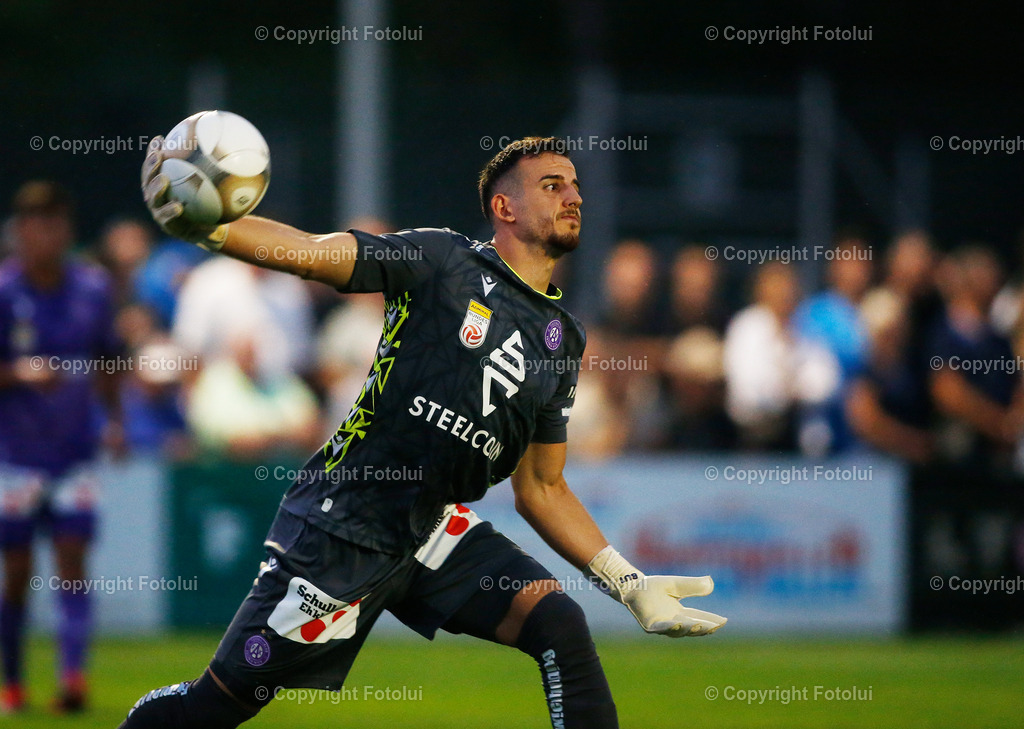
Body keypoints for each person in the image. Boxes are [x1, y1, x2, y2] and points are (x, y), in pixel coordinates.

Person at [120, 136, 726, 728]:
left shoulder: (562, 338)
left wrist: (627, 582)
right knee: (215, 706)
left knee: (557, 621)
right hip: (346, 524)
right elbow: (310, 253)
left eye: (574, 185)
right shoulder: (441, 260)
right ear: (505, 207)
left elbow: (543, 487)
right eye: (552, 185)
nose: (574, 197)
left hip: (433, 527)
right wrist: (213, 229)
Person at [0, 181, 123, 713]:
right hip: (15, 456)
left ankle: (73, 680)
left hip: (76, 454)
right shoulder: (4, 292)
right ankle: (13, 682)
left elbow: (109, 359)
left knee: (73, 560)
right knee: (17, 572)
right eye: (38, 225)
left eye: (57, 224)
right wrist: (19, 373)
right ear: (21, 231)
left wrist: (115, 420)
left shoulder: (93, 289)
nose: (49, 235)